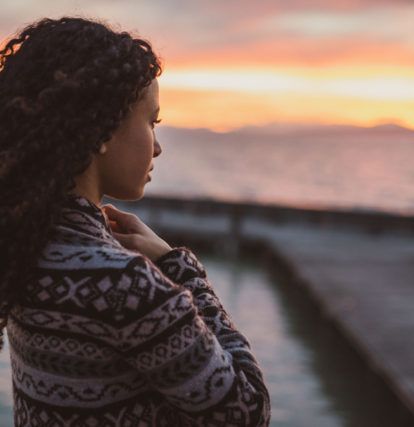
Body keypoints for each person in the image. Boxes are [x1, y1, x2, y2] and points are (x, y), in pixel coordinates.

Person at [0, 16, 271, 426]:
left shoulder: (24, 244)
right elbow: (248, 411)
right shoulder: (126, 285)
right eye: (151, 121)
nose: (158, 147)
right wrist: (178, 267)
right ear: (103, 130)